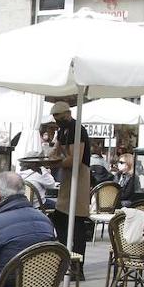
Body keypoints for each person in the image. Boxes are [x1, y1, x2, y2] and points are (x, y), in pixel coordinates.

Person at [46, 101, 91, 264]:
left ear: (67, 114)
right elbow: (55, 150)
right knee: (60, 217)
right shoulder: (63, 130)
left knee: (77, 221)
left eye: (58, 117)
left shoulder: (77, 129)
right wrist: (46, 158)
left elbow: (76, 159)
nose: (56, 120)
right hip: (67, 177)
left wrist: (54, 163)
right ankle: (65, 254)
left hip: (80, 178)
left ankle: (77, 264)